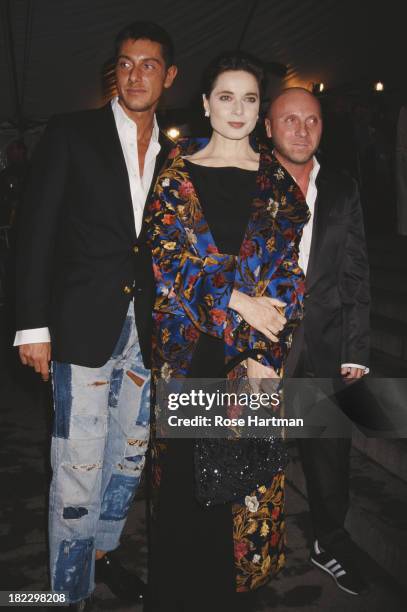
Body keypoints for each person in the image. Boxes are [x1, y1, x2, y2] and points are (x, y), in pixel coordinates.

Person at [14, 21, 177, 610]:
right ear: (117, 70)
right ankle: (65, 592)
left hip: (148, 332)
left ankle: (101, 556)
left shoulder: (178, 153)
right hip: (81, 324)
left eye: (149, 64)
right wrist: (32, 326)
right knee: (78, 465)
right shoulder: (72, 132)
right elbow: (33, 233)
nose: (136, 74)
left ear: (169, 76)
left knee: (128, 457)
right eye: (127, 63)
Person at [146, 53, 309, 611]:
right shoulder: (175, 174)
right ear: (205, 103)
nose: (237, 110)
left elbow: (289, 273)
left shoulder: (279, 184)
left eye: (249, 99)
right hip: (190, 351)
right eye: (226, 97)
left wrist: (267, 351)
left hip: (253, 361)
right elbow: (165, 261)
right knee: (185, 491)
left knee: (246, 488)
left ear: (260, 109)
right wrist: (235, 299)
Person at [265, 88, 370, 595]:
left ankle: (330, 541)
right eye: (290, 119)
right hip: (261, 345)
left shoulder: (342, 186)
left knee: (330, 453)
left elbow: (355, 272)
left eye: (312, 119)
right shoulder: (248, 181)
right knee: (253, 453)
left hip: (327, 343)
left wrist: (356, 350)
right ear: (268, 127)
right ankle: (248, 553)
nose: (302, 129)